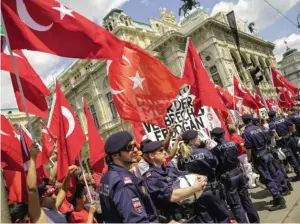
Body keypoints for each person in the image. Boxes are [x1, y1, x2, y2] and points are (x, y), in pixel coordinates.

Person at [99, 131, 158, 223]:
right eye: (129, 147)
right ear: (115, 155)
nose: (135, 150)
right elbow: (137, 221)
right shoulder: (123, 183)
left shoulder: (107, 177)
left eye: (134, 145)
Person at [141, 140, 207, 222]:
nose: (165, 153)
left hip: (189, 213)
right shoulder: (151, 178)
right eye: (161, 151)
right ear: (151, 155)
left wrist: (201, 177)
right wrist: (194, 188)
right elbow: (172, 196)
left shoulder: (169, 169)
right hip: (173, 219)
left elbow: (186, 174)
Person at [177, 130, 231, 223]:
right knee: (223, 216)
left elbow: (181, 172)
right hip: (212, 189)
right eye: (197, 138)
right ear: (192, 141)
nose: (199, 139)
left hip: (197, 193)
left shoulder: (181, 157)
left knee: (206, 219)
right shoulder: (205, 152)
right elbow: (216, 164)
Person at [211, 127, 260, 223]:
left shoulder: (215, 150)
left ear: (215, 137)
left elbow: (216, 165)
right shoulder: (233, 144)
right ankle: (255, 221)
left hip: (229, 176)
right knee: (246, 199)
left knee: (236, 204)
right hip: (238, 172)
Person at [242, 114, 286, 211]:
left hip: (259, 157)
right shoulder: (259, 128)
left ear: (243, 121)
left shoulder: (247, 132)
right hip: (266, 153)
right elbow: (268, 138)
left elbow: (248, 147)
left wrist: (249, 159)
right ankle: (277, 196)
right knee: (274, 174)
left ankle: (279, 199)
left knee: (267, 178)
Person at [27, 142, 79, 223]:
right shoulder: (38, 215)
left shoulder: (55, 208)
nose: (54, 197)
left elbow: (64, 189)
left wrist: (68, 175)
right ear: (40, 201)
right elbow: (32, 190)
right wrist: (33, 159)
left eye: (54, 194)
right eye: (50, 195)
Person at [268, 111, 300, 181]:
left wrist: (277, 138)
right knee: (296, 154)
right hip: (290, 137)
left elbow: (273, 132)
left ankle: (298, 173)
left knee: (291, 157)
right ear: (275, 114)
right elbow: (293, 125)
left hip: (283, 141)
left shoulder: (271, 123)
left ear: (269, 117)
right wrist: (292, 133)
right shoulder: (283, 119)